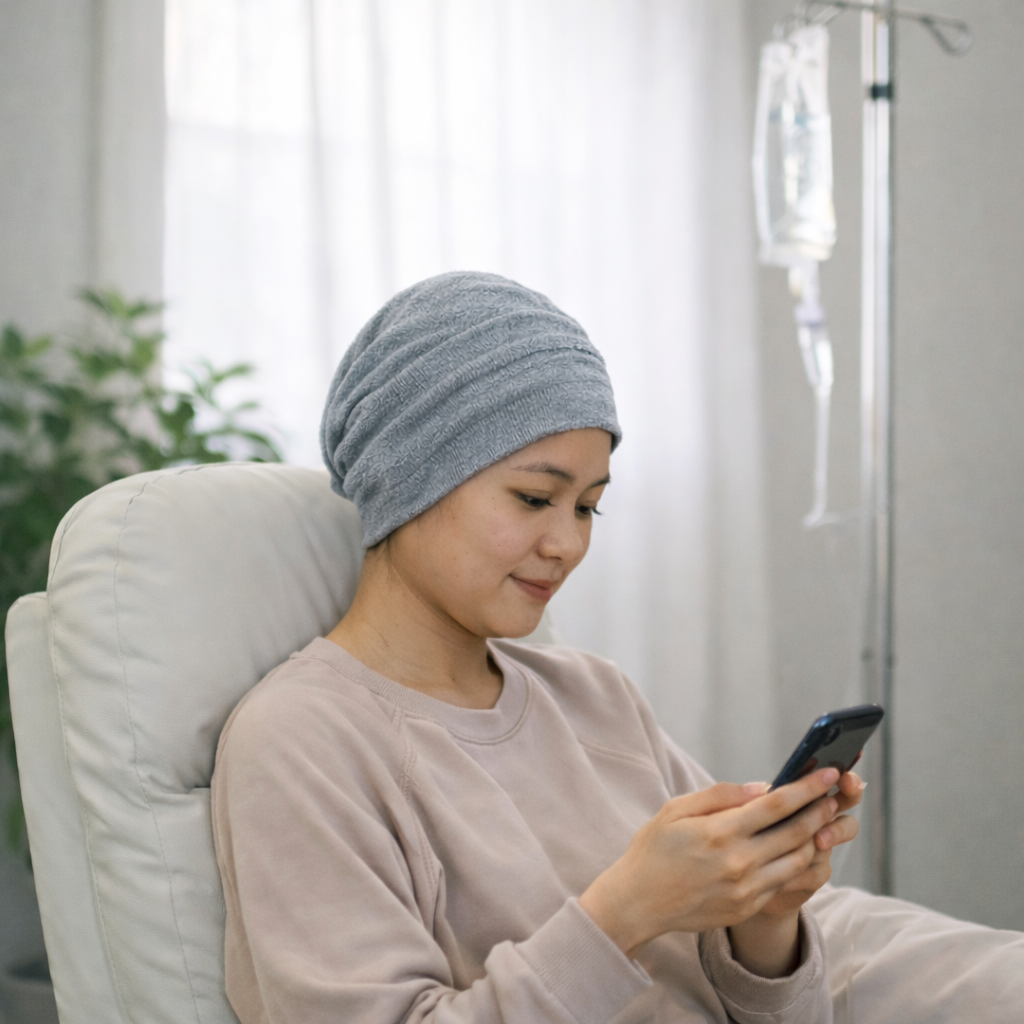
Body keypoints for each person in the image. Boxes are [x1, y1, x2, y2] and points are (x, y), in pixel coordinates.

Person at [210, 272, 1021, 1024]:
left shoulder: (593, 695)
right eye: (535, 497)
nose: (566, 543)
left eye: (589, 507)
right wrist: (626, 908)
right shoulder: (299, 739)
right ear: (408, 474)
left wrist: (768, 915)